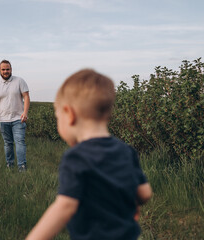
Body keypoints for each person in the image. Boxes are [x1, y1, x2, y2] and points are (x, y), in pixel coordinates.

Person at [26, 69, 152, 239]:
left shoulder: (76, 157)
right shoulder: (126, 150)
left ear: (69, 114)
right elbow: (145, 193)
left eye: (58, 117)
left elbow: (65, 206)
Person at [0, 60, 30, 172]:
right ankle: (9, 165)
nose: (6, 71)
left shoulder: (19, 81)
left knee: (20, 142)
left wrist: (25, 113)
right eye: (3, 69)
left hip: (18, 119)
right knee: (8, 144)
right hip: (3, 120)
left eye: (8, 69)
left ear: (11, 69)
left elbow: (26, 97)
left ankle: (22, 166)